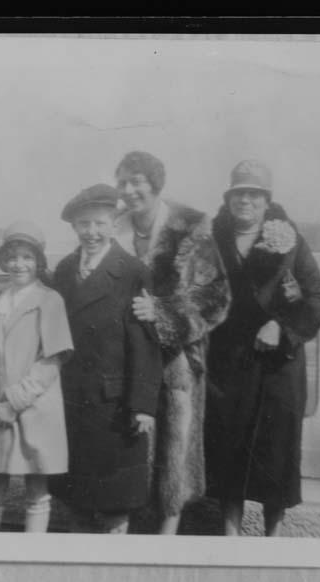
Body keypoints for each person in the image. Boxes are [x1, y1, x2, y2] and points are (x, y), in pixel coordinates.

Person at [205, 160, 320, 536]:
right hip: (228, 366)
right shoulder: (211, 241)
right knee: (228, 455)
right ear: (227, 200)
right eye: (239, 193)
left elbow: (318, 300)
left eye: (254, 194)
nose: (246, 201)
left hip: (278, 368)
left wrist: (282, 325)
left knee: (275, 457)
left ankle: (271, 541)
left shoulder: (288, 239)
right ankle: (230, 540)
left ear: (266, 200)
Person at [114, 151, 231, 535]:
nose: (129, 191)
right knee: (130, 447)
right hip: (126, 358)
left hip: (176, 360)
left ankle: (167, 540)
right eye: (123, 183)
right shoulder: (113, 229)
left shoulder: (190, 228)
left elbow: (215, 296)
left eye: (137, 182)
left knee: (173, 451)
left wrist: (162, 312)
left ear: (154, 183)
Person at [50, 183, 162, 534]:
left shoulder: (132, 272)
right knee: (77, 502)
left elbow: (146, 344)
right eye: (84, 225)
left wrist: (143, 404)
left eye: (100, 223)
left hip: (115, 407)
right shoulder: (66, 270)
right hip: (72, 401)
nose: (92, 233)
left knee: (116, 506)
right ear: (74, 228)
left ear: (114, 224)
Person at [0, 220, 74, 533]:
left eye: (27, 257)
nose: (19, 264)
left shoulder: (49, 300)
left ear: (39, 262)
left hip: (35, 409)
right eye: (13, 257)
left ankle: (33, 555)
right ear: (4, 261)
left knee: (36, 486)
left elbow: (51, 361)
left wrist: (13, 403)